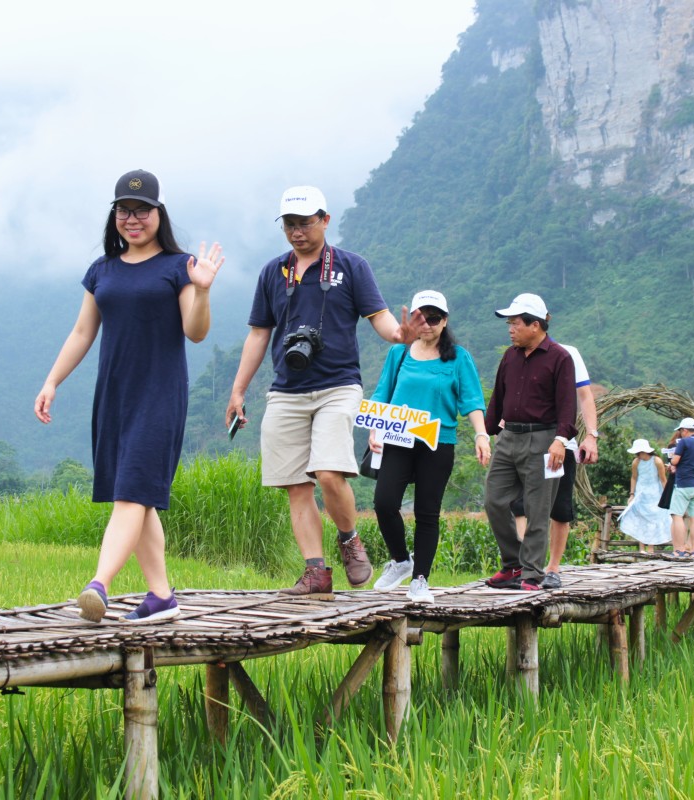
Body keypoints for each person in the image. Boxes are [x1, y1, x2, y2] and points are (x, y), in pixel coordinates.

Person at [35, 169, 223, 623]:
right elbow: (83, 331)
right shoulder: (102, 269)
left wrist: (201, 291)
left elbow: (195, 333)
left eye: (142, 211)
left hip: (160, 395)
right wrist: (52, 381)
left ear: (159, 214)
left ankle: (98, 584)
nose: (132, 219)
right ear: (114, 215)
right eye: (124, 210)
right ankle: (161, 597)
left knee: (131, 493)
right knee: (137, 496)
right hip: (115, 395)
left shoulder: (179, 268)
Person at [224, 186, 424, 598]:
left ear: (325, 220)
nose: (297, 232)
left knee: (329, 472)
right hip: (286, 391)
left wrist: (400, 336)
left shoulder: (351, 266)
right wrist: (238, 390)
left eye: (305, 223)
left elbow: (381, 317)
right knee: (297, 485)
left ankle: (349, 539)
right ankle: (316, 571)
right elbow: (259, 334)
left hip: (337, 386)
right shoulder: (272, 273)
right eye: (290, 225)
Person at [368, 290, 490, 603]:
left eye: (434, 318)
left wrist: (481, 435)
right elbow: (382, 392)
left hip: (438, 441)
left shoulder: (458, 357)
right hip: (399, 435)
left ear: (445, 321)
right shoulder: (400, 352)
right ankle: (400, 561)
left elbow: (472, 400)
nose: (427, 325)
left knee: (427, 512)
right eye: (421, 318)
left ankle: (420, 579)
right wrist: (375, 427)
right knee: (384, 501)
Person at [483, 293, 577, 591]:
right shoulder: (510, 355)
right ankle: (512, 565)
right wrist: (485, 433)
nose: (510, 329)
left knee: (538, 508)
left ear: (535, 325)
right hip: (508, 436)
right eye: (509, 323)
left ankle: (531, 574)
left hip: (544, 440)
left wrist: (561, 440)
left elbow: (567, 404)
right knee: (494, 500)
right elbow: (498, 396)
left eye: (515, 323)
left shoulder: (560, 357)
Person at [508, 343, 600, 587]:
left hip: (560, 444)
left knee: (559, 507)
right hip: (521, 443)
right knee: (519, 505)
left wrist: (591, 436)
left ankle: (553, 567)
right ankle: (525, 565)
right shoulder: (516, 354)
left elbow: (585, 395)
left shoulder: (567, 353)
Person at [617, 438, 672, 550]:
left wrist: (667, 495)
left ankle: (650, 547)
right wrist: (632, 494)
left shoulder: (656, 461)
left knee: (653, 519)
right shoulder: (636, 462)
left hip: (655, 494)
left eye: (639, 453)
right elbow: (634, 477)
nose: (638, 455)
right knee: (641, 519)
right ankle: (641, 548)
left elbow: (662, 479)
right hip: (641, 494)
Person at [668, 417, 694, 556]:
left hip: (683, 484)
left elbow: (675, 461)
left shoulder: (684, 442)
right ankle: (693, 549)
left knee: (677, 516)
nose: (680, 433)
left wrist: (673, 461)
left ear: (685, 430)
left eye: (681, 431)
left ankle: (679, 549)